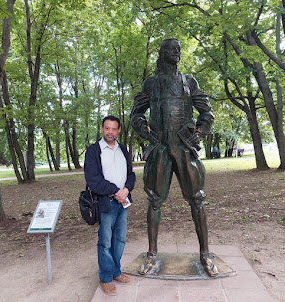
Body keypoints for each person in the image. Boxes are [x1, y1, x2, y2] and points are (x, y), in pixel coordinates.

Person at [130, 38, 218, 276]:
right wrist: (144, 130)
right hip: (160, 148)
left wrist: (200, 131)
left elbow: (206, 111)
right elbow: (136, 113)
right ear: (162, 53)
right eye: (172, 48)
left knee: (197, 199)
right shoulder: (151, 83)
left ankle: (205, 255)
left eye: (179, 49)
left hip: (183, 147)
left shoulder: (189, 82)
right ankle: (151, 255)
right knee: (154, 200)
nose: (177, 52)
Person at [84, 115, 136, 296]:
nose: (110, 132)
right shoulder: (93, 151)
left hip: (123, 203)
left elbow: (131, 174)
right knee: (105, 242)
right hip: (106, 204)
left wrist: (127, 189)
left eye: (114, 129)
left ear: (118, 130)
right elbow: (93, 180)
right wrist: (117, 191)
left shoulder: (123, 149)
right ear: (102, 129)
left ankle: (115, 272)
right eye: (107, 128)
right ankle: (105, 277)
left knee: (120, 240)